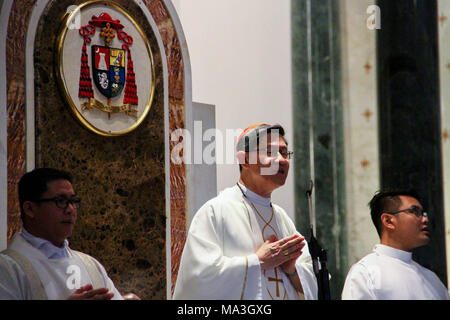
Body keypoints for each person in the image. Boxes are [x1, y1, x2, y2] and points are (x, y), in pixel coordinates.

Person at [173, 123, 318, 300]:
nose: (282, 160)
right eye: (271, 152)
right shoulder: (216, 212)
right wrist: (257, 262)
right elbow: (197, 280)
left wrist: (292, 271)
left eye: (285, 153)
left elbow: (314, 282)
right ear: (246, 160)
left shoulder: (282, 219)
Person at [0, 168, 138, 300]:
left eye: (72, 201)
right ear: (30, 209)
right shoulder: (8, 268)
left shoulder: (91, 266)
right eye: (60, 201)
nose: (70, 209)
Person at [342, 190, 449, 300]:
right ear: (388, 221)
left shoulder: (432, 279)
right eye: (415, 211)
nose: (425, 219)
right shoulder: (366, 273)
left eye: (423, 214)